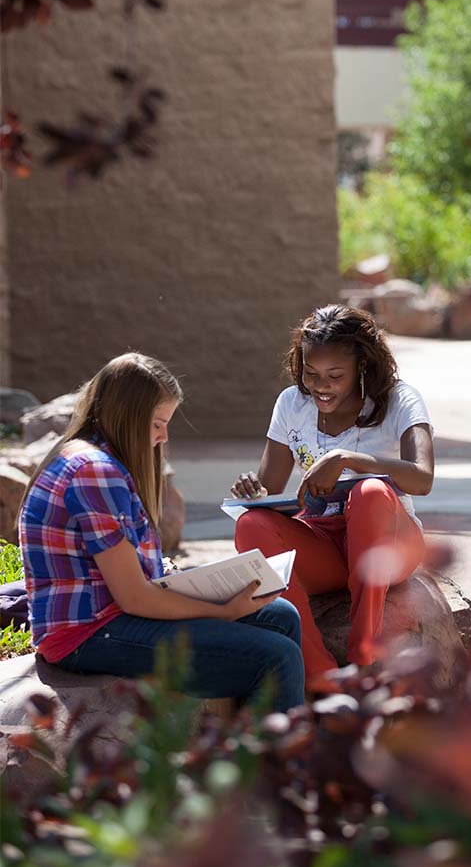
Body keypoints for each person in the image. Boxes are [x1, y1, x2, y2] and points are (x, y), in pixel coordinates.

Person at [18, 353, 304, 711]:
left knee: (280, 615)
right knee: (275, 656)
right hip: (87, 634)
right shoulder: (94, 471)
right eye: (156, 424)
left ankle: (256, 744)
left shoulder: (98, 459)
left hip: (115, 615)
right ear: (128, 417)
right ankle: (281, 762)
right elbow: (134, 598)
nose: (163, 436)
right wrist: (222, 612)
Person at [231, 304, 434, 684]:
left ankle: (365, 655)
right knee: (251, 524)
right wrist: (251, 490)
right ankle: (319, 674)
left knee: (371, 492)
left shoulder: (400, 399)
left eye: (335, 376)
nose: (321, 386)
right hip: (325, 545)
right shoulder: (292, 403)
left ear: (362, 368)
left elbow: (423, 479)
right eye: (311, 374)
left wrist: (349, 460)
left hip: (387, 542)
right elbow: (269, 488)